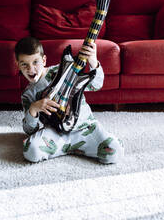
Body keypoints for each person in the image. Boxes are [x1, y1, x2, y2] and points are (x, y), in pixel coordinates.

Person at [15, 36, 124, 164]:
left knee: (115, 151)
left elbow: (96, 85)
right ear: (18, 65)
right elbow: (29, 130)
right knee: (31, 151)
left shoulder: (63, 69)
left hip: (85, 127)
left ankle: (76, 147)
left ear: (44, 60)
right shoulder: (28, 94)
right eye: (24, 64)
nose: (31, 68)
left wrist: (93, 61)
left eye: (35, 62)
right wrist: (33, 108)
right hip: (56, 133)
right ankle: (67, 147)